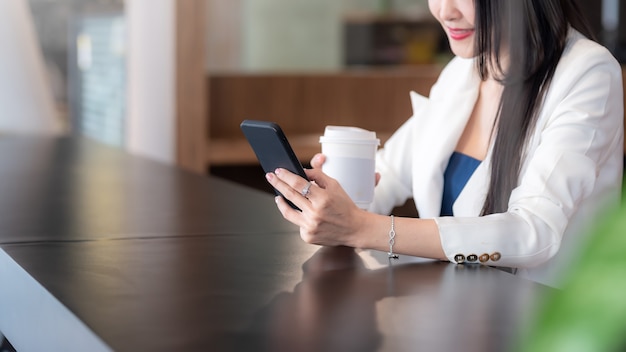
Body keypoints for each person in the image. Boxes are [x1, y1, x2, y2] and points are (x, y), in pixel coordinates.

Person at [265, 0, 624, 287]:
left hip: (541, 323)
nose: (444, 10)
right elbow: (388, 172)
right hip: (455, 311)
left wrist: (362, 227)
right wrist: (331, 202)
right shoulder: (464, 70)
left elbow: (535, 232)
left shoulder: (587, 72)